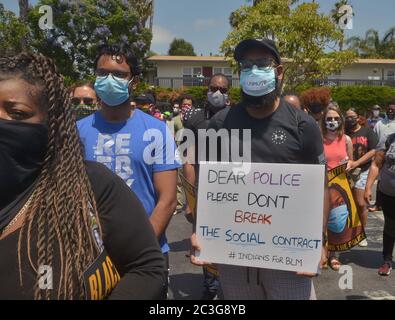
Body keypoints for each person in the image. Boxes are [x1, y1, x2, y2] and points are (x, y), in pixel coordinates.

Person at [0, 52, 166, 299]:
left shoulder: (97, 180)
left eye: (17, 114)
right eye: (103, 73)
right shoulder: (82, 127)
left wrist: (119, 244)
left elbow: (147, 263)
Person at [190, 38, 329, 300]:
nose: (253, 70)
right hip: (234, 254)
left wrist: (319, 240)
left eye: (262, 63)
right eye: (246, 64)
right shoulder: (218, 125)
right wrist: (200, 231)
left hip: (290, 255)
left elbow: (320, 186)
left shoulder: (303, 125)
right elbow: (207, 185)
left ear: (279, 72)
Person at [77, 44, 180, 298]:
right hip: (90, 259)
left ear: (133, 81)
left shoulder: (156, 130)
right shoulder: (76, 130)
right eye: (102, 72)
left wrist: (137, 249)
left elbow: (167, 200)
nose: (109, 79)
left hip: (144, 260)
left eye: (119, 74)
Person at [183, 73, 231, 300]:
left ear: (229, 93)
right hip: (204, 190)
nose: (217, 93)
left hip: (233, 189)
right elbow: (188, 160)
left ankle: (232, 285)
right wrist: (190, 201)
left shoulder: (237, 117)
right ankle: (211, 287)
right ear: (207, 89)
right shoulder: (193, 119)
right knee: (206, 238)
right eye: (214, 88)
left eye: (222, 89)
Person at [321, 105, 353, 270]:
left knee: (337, 221)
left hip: (340, 186)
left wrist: (349, 164)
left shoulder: (346, 140)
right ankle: (323, 253)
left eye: (335, 118)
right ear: (324, 121)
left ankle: (333, 255)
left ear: (341, 120)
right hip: (321, 185)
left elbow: (351, 162)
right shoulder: (319, 138)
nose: (332, 121)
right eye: (329, 119)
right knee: (322, 220)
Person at [344, 108, 378, 247]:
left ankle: (361, 234)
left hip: (363, 170)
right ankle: (348, 231)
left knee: (361, 203)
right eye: (347, 117)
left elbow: (373, 150)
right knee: (346, 204)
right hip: (346, 172)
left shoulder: (367, 131)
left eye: (353, 116)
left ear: (358, 118)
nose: (350, 119)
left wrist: (357, 162)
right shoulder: (343, 133)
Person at [365, 132, 395, 276]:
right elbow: (376, 163)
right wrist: (368, 186)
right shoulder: (389, 139)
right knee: (390, 226)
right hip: (388, 194)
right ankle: (387, 261)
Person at [369, 100, 395, 212]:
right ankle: (378, 204)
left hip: (391, 157)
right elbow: (374, 139)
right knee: (379, 180)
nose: (390, 111)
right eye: (389, 109)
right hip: (379, 155)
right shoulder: (379, 123)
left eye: (393, 110)